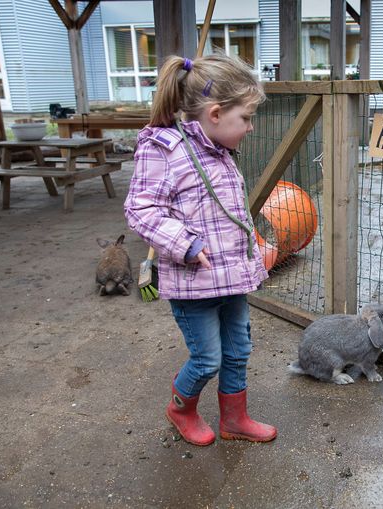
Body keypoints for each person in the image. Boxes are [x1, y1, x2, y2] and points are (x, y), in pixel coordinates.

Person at [124, 54, 276, 446]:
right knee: (207, 358)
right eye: (245, 118)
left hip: (231, 280)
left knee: (239, 349)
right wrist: (184, 244)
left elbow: (226, 213)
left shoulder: (218, 150)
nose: (250, 126)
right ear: (214, 113)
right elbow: (141, 209)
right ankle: (181, 408)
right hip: (194, 285)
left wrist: (252, 250)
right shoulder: (163, 149)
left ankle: (234, 419)